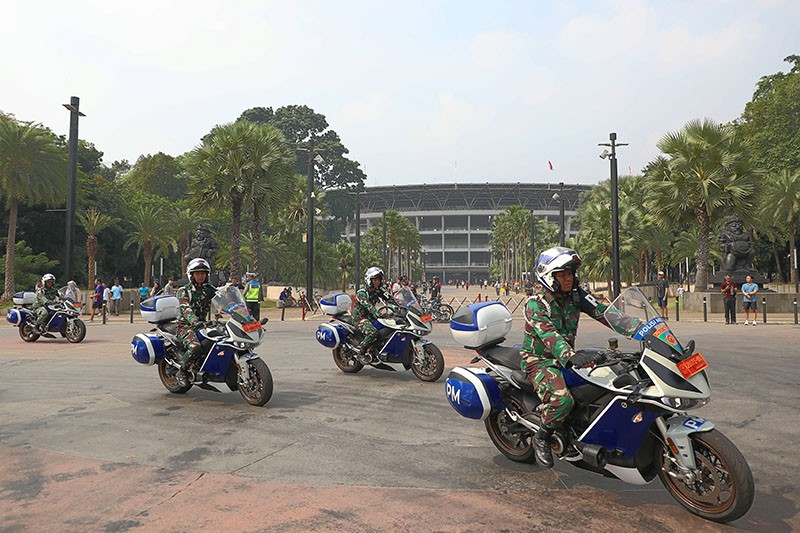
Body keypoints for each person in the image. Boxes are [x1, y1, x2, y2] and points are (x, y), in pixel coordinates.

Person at [521, 247, 612, 468]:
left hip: (568, 357)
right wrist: (570, 356)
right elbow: (549, 334)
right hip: (540, 361)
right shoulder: (535, 303)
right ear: (549, 277)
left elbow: (606, 314)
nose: (568, 278)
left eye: (570, 273)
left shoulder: (576, 297)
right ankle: (542, 437)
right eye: (562, 274)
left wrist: (647, 329)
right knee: (563, 400)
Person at [175, 258, 218, 387]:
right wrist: (194, 321)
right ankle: (181, 371)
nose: (201, 275)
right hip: (185, 326)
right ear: (191, 275)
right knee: (195, 347)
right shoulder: (184, 291)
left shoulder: (209, 289)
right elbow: (185, 308)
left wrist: (241, 312)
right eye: (197, 273)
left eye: (203, 273)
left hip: (203, 325)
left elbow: (224, 298)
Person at [353, 267, 398, 364]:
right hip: (360, 319)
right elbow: (368, 305)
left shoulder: (378, 290)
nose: (377, 282)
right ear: (369, 280)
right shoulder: (362, 293)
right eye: (375, 280)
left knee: (391, 326)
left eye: (379, 280)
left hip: (371, 318)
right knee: (372, 333)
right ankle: (361, 353)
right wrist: (377, 314)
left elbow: (389, 298)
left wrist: (399, 307)